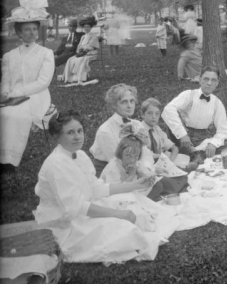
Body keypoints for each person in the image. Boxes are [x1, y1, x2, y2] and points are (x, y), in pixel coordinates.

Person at [34, 110, 157, 263]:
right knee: (126, 229)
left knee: (131, 204)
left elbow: (97, 188)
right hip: (67, 224)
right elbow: (75, 207)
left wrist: (134, 185)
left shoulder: (80, 155)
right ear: (57, 137)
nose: (78, 136)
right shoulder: (56, 164)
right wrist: (117, 214)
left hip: (86, 208)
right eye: (70, 132)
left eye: (79, 131)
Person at [1, 0, 54, 167]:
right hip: (12, 95)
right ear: (19, 33)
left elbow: (43, 82)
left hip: (36, 96)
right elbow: (6, 79)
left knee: (12, 114)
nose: (31, 33)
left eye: (34, 29)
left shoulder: (46, 53)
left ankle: (9, 159)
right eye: (27, 30)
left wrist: (17, 92)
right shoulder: (10, 56)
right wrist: (5, 92)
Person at [163, 66, 227, 160]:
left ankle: (194, 154)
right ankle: (194, 154)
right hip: (182, 138)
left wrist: (213, 143)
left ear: (217, 83)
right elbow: (168, 109)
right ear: (200, 80)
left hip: (201, 140)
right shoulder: (188, 95)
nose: (209, 83)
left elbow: (224, 131)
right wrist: (182, 134)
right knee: (173, 119)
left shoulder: (217, 104)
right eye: (206, 79)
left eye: (213, 80)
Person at [100, 125, 189, 202]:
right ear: (120, 152)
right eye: (128, 155)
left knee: (157, 185)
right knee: (155, 188)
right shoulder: (114, 167)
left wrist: (153, 173)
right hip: (115, 195)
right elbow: (115, 190)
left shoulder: (134, 162)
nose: (132, 160)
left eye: (135, 156)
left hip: (130, 188)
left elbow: (141, 167)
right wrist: (131, 176)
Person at [90, 84, 141, 177]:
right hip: (109, 173)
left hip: (134, 167)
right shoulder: (105, 131)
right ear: (114, 105)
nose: (129, 106)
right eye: (124, 102)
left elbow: (144, 150)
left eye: (132, 101)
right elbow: (116, 162)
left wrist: (147, 168)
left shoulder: (136, 124)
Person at [62, 16, 99, 84]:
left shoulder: (94, 36)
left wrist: (84, 48)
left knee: (81, 60)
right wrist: (79, 50)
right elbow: (79, 46)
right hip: (83, 53)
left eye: (88, 27)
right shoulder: (83, 36)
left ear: (91, 28)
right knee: (70, 60)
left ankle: (79, 78)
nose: (86, 28)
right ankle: (69, 78)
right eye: (85, 27)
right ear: (83, 28)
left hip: (91, 54)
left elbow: (92, 47)